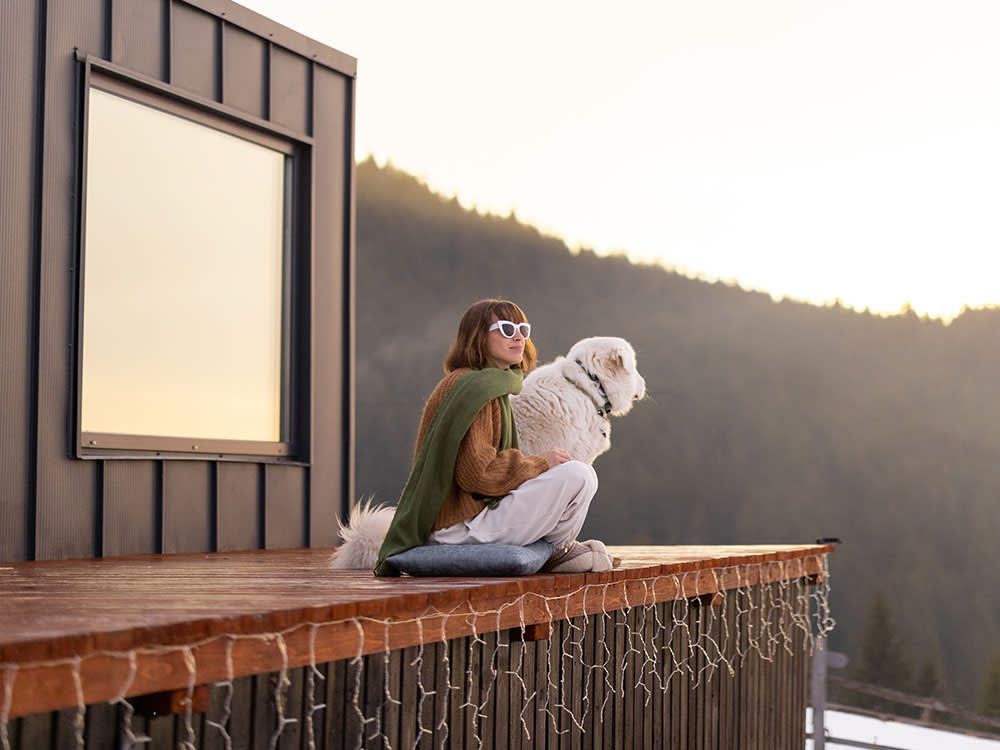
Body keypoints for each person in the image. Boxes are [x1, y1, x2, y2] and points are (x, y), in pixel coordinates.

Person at [373, 299, 614, 577]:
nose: (519, 337)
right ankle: (558, 551)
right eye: (506, 328)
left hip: (473, 517)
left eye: (523, 328)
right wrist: (539, 464)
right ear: (477, 335)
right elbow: (478, 473)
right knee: (579, 475)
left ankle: (558, 550)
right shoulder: (475, 388)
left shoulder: (488, 384)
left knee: (577, 473)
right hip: (459, 527)